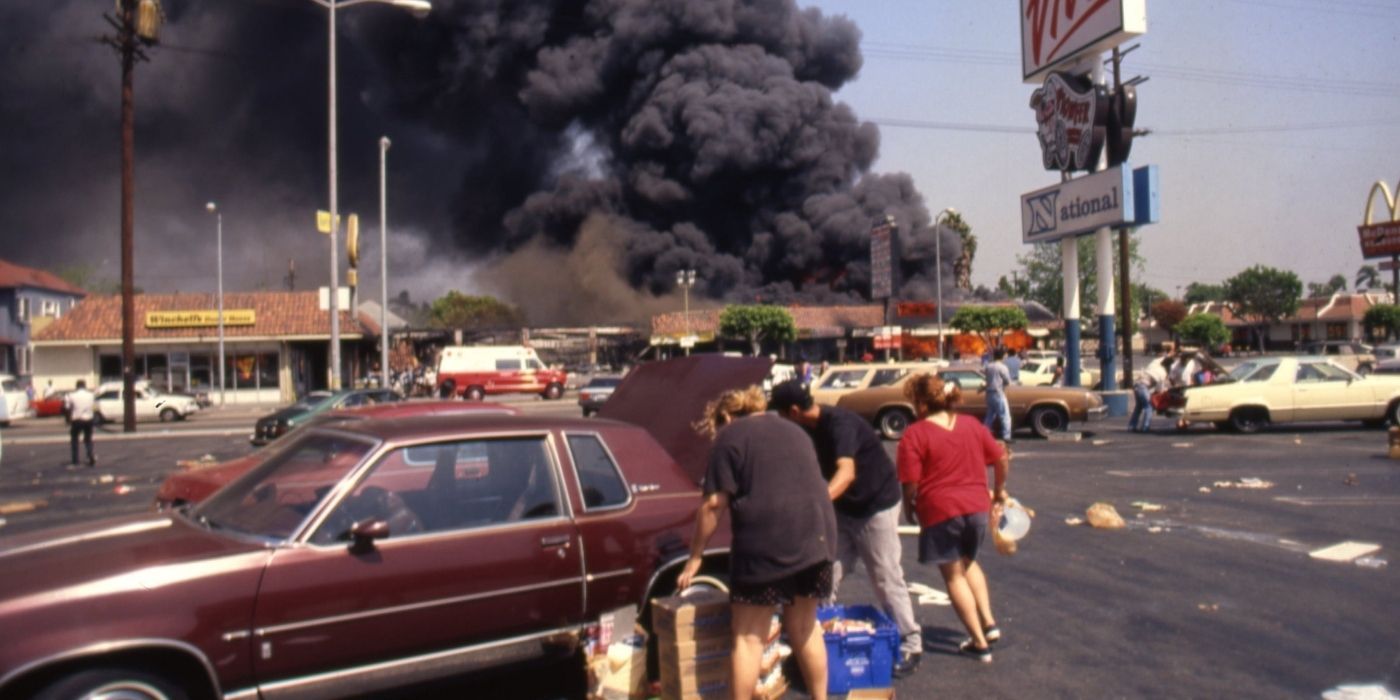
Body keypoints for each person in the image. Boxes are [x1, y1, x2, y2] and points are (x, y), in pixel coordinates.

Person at [678, 386, 837, 700]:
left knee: (749, 636)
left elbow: (713, 505)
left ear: (726, 416)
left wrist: (696, 555)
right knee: (805, 626)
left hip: (766, 543)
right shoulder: (795, 431)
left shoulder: (730, 436)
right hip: (817, 537)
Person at [769, 380, 924, 677]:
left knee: (884, 575)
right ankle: (816, 637)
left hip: (874, 504)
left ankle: (910, 642)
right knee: (825, 571)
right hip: (843, 508)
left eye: (780, 414)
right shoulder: (804, 429)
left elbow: (846, 472)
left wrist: (816, 503)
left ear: (793, 411)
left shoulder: (839, 423)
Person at [897, 373, 1010, 663]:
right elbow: (1000, 457)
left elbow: (910, 481)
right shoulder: (971, 425)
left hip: (940, 509)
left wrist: (909, 507)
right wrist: (999, 490)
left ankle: (978, 641)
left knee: (953, 574)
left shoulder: (915, 433)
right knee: (969, 561)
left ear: (922, 403)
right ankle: (989, 622)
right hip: (976, 507)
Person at [982, 347, 1014, 442]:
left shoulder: (988, 366)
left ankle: (984, 434)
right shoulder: (1002, 367)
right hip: (998, 393)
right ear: (1002, 356)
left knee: (990, 415)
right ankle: (1006, 437)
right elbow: (1007, 381)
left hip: (989, 393)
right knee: (1005, 415)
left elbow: (985, 376)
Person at [1130, 356, 1168, 433]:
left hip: (1137, 384)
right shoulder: (1163, 373)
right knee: (1149, 407)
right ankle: (1145, 427)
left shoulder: (1154, 365)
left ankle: (1132, 426)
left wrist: (1167, 356)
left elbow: (1158, 359)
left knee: (1138, 407)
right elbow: (1160, 389)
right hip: (1143, 387)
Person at [64, 380, 97, 467]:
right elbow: (93, 406)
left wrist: (68, 419)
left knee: (74, 439)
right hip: (88, 419)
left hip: (77, 419)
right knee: (88, 438)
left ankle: (75, 459)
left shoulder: (72, 395)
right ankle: (90, 454)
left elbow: (67, 407)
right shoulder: (91, 395)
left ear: (77, 386)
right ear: (84, 386)